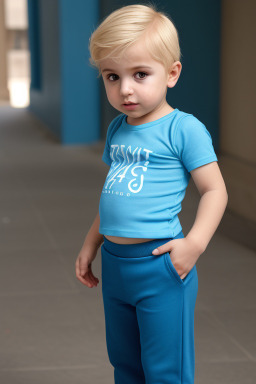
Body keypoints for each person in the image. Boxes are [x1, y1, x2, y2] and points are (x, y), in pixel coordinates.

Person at [75, 3, 228, 384]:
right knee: (125, 364)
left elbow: (215, 191)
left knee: (165, 371)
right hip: (115, 264)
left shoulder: (183, 129)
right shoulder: (117, 130)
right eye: (112, 76)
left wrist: (194, 244)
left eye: (140, 74)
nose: (125, 88)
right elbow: (115, 193)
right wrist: (91, 244)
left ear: (172, 73)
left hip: (159, 264)